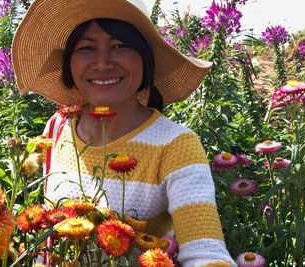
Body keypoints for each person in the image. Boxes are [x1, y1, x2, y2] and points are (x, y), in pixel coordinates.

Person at [12, 0, 236, 266]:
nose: (103, 63)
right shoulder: (58, 127)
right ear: (69, 62)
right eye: (86, 48)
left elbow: (205, 252)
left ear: (145, 57)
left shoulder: (176, 146)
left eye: (119, 46)